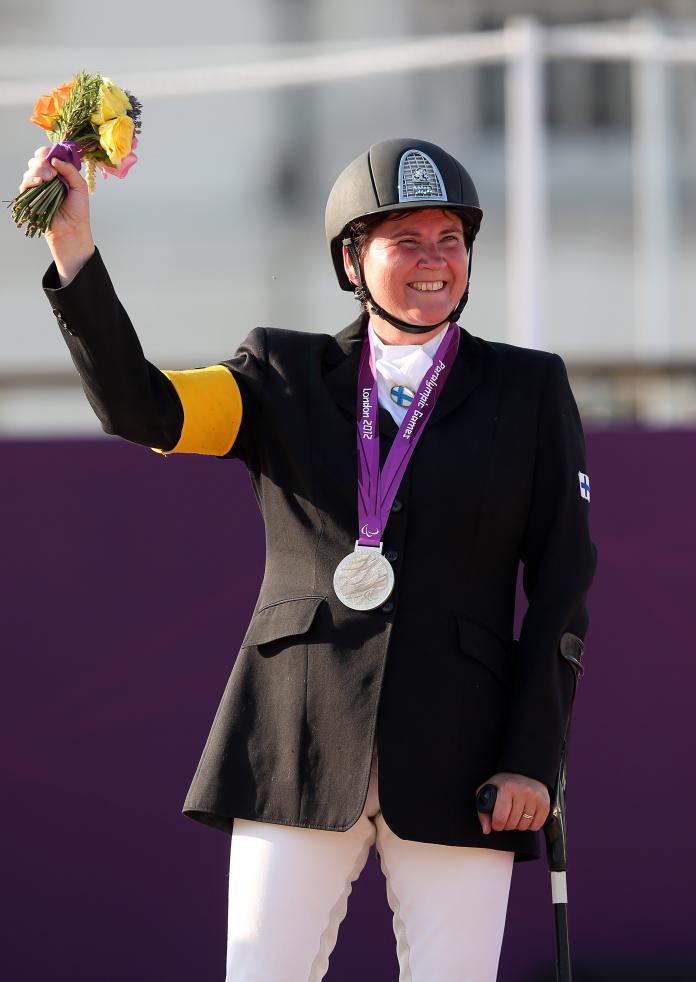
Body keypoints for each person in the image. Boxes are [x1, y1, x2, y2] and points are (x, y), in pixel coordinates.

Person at [23, 137, 597, 981]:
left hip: (464, 759)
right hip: (293, 739)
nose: (435, 261)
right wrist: (73, 249)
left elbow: (560, 588)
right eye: (407, 241)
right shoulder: (279, 372)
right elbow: (145, 408)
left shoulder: (531, 387)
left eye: (451, 239)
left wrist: (534, 759)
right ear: (351, 260)